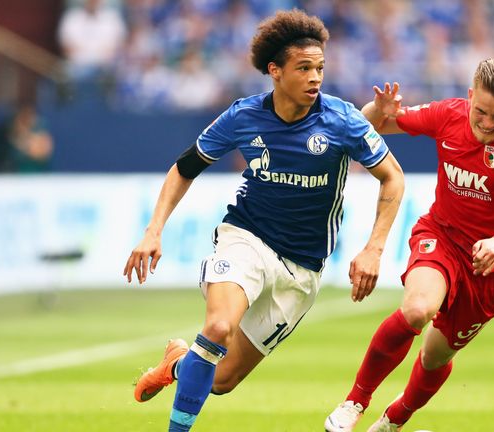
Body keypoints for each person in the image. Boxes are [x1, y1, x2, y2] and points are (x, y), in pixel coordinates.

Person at [123, 9, 404, 432]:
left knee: (221, 380)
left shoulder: (342, 119)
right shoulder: (243, 116)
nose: (315, 78)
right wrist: (153, 230)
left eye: (320, 68)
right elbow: (185, 167)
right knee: (218, 327)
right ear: (274, 71)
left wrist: (373, 248)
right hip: (247, 237)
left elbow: (393, 179)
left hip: (302, 267)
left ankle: (176, 365)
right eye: (304, 68)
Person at [325, 58, 494, 432]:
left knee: (435, 357)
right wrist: (375, 110)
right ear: (469, 98)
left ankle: (393, 420)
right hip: (442, 237)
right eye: (480, 111)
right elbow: (370, 126)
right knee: (418, 309)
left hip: (491, 268)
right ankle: (356, 400)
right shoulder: (447, 115)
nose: (486, 123)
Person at [0, 104, 54, 173]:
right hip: (17, 175)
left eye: (29, 115)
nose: (27, 119)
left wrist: (28, 144)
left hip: (39, 175)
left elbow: (43, 152)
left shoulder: (41, 129)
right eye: (24, 116)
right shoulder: (11, 132)